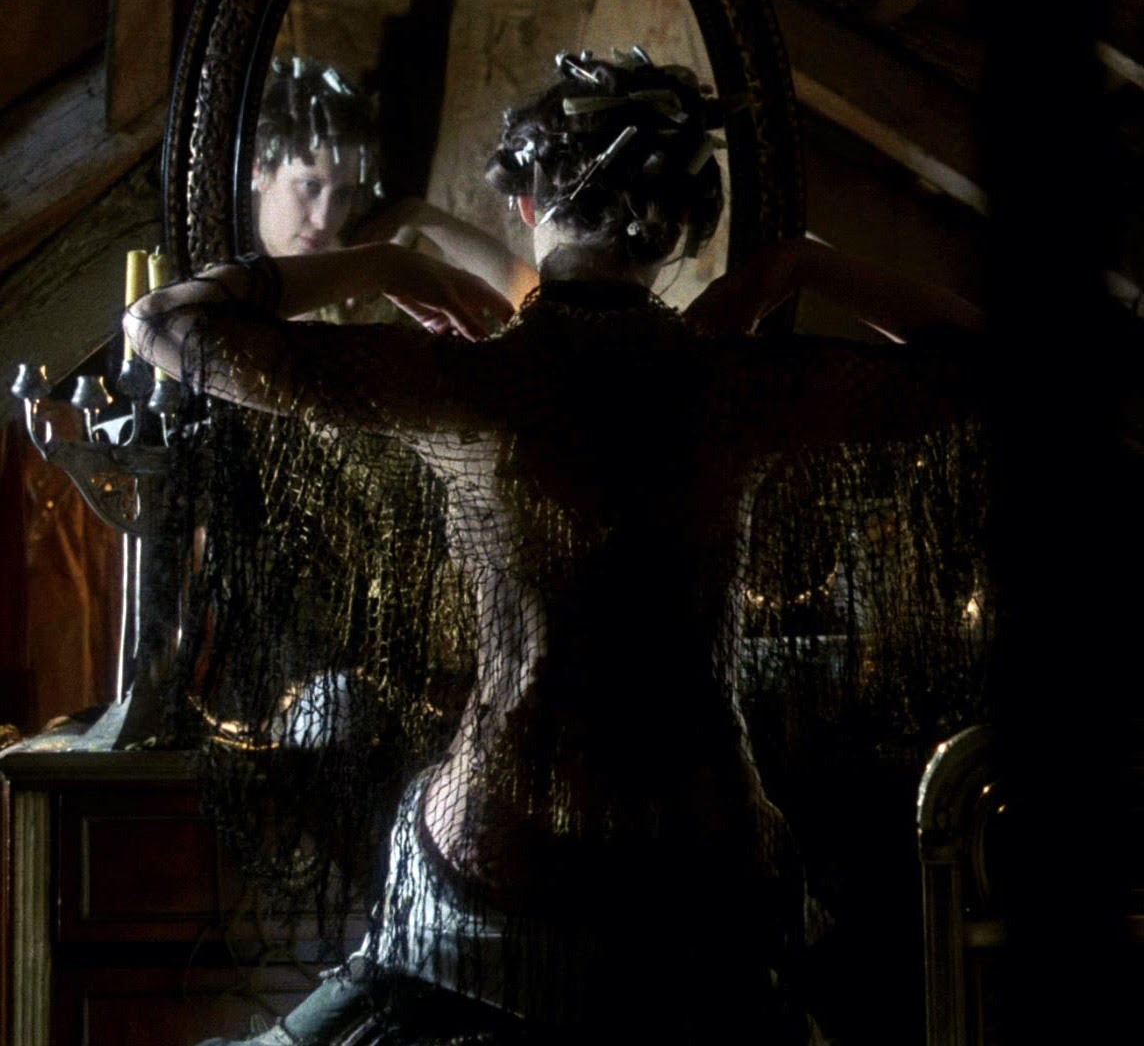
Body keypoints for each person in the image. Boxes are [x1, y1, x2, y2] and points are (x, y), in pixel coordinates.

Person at [126, 50, 983, 1044]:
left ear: (528, 204)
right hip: (704, 859)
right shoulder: (737, 386)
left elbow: (163, 325)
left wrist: (384, 265)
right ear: (679, 230)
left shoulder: (470, 383)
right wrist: (800, 263)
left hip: (501, 847)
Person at [253, 55, 537, 318]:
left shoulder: (369, 277)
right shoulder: (234, 272)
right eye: (310, 186)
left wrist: (418, 214)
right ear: (261, 172)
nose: (323, 220)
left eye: (343, 194)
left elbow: (528, 294)